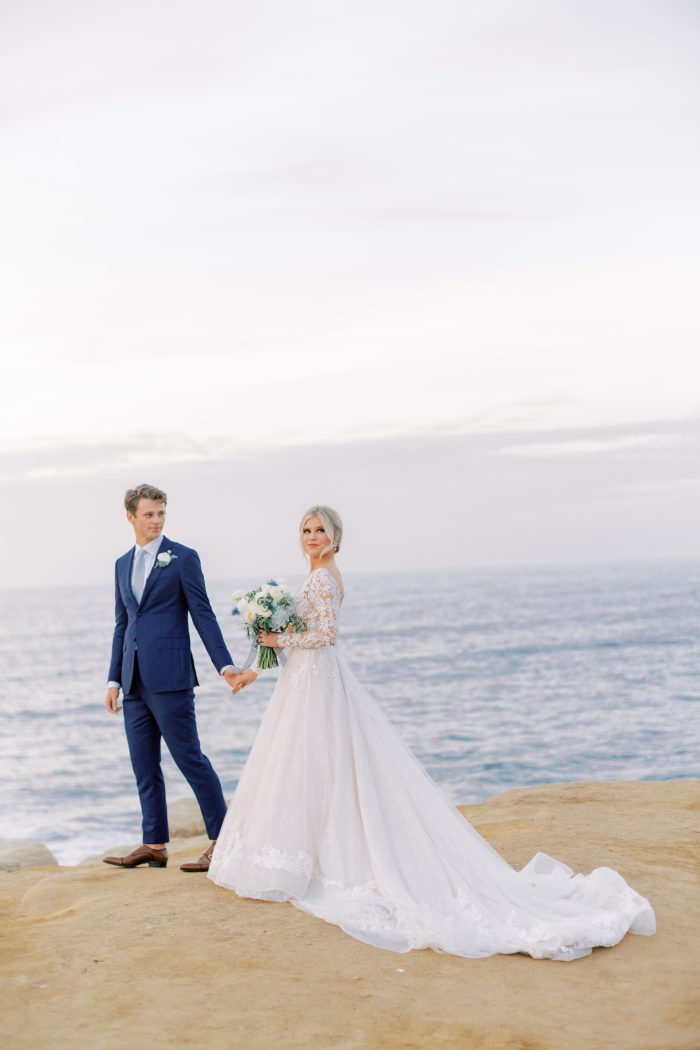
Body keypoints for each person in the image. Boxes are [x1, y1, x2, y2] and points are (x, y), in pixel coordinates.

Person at [208, 506, 656, 960]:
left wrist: (278, 640)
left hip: (317, 683)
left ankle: (317, 862)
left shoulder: (323, 578)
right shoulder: (318, 575)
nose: (312, 536)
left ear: (335, 536)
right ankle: (310, 855)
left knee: (317, 765)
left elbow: (326, 635)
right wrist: (259, 659)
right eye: (305, 530)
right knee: (314, 765)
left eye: (320, 529)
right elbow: (302, 636)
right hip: (305, 681)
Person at [103, 483, 241, 874]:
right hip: (133, 680)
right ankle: (154, 844)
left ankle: (222, 840)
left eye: (161, 513)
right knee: (144, 764)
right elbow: (122, 624)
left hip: (171, 677)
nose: (156, 521)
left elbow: (203, 614)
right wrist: (113, 679)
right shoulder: (121, 564)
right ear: (130, 516)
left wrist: (225, 666)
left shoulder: (182, 558)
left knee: (189, 758)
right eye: (148, 514)